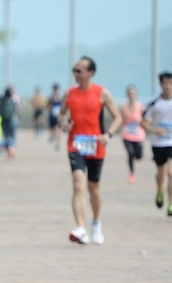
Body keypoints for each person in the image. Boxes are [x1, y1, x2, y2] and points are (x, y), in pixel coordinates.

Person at [58, 56, 122, 245]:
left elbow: (118, 117)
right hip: (75, 144)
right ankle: (80, 228)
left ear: (90, 73)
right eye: (74, 70)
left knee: (93, 187)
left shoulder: (102, 93)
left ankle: (96, 224)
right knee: (78, 184)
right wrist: (63, 123)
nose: (75, 74)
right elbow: (61, 115)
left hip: (96, 145)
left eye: (79, 71)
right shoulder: (69, 93)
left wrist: (108, 134)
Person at [141, 72, 172, 217]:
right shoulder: (154, 102)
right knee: (161, 173)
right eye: (165, 83)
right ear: (161, 85)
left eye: (171, 83)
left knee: (171, 172)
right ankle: (160, 190)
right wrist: (154, 130)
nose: (168, 86)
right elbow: (143, 122)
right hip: (158, 143)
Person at [120, 85, 146, 183]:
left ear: (136, 94)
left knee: (138, 155)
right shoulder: (124, 107)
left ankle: (137, 156)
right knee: (130, 153)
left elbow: (146, 119)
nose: (131, 95)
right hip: (127, 134)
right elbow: (120, 120)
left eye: (133, 93)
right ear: (127, 95)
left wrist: (140, 121)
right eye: (130, 93)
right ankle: (132, 173)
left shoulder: (141, 106)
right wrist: (127, 116)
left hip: (138, 134)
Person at [0, 87, 17, 158]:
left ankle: (8, 150)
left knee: (5, 136)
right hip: (11, 119)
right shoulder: (12, 100)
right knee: (12, 136)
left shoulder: (2, 100)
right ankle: (12, 149)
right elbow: (15, 109)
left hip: (3, 120)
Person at [47, 83, 62, 151]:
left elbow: (63, 107)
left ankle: (57, 144)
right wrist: (50, 107)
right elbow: (46, 105)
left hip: (58, 116)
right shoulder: (50, 98)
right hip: (52, 116)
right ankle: (52, 136)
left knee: (58, 130)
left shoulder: (60, 97)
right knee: (53, 130)